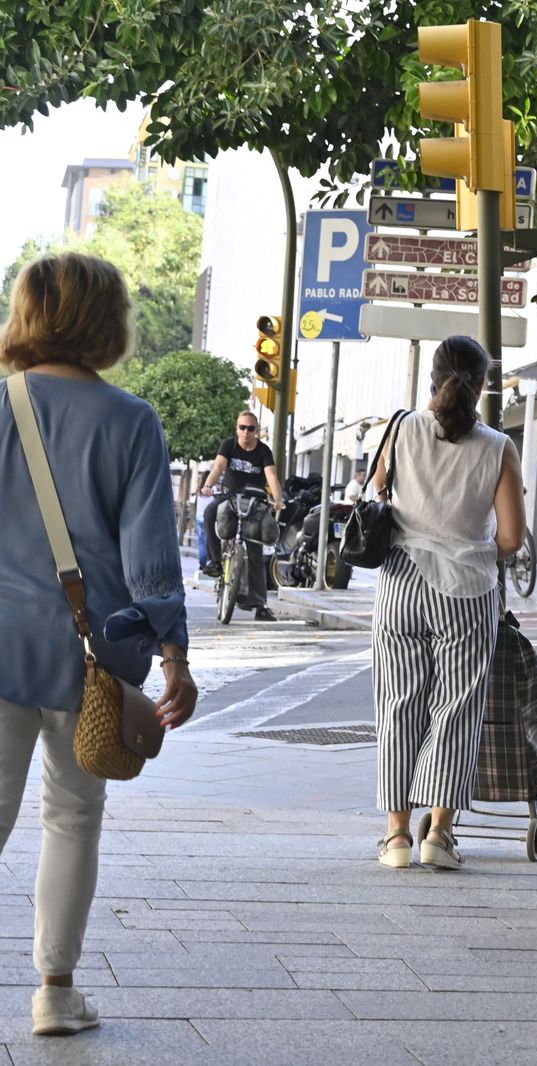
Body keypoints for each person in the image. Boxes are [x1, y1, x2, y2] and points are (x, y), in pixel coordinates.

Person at [0, 252, 198, 1037]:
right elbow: (152, 556)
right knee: (74, 816)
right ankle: (54, 991)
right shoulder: (131, 420)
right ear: (107, 321)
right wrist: (176, 659)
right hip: (94, 656)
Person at [368, 336, 526, 872]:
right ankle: (439, 832)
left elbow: (379, 489)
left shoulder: (401, 428)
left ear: (432, 379)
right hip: (467, 591)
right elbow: (511, 539)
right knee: (456, 711)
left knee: (398, 705)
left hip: (401, 584)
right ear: (482, 386)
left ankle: (395, 838)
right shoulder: (499, 447)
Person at [198, 409, 285, 622]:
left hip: (255, 502)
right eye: (242, 428)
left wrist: (278, 499)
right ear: (237, 429)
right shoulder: (229, 445)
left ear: (256, 431)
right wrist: (209, 484)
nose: (246, 432)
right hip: (230, 497)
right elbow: (219, 466)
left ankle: (260, 606)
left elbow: (271, 475)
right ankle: (214, 562)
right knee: (210, 512)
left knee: (254, 550)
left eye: (251, 428)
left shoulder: (263, 451)